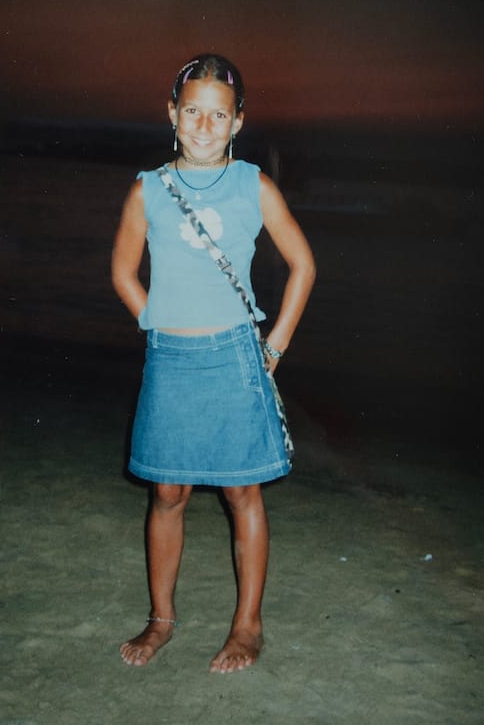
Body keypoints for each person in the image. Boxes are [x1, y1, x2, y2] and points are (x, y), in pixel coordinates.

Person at [112, 53, 316, 673]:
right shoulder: (148, 188)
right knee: (167, 491)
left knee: (240, 490)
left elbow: (304, 266)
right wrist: (159, 325)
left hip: (234, 354)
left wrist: (273, 346)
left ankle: (248, 626)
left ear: (238, 122)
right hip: (170, 357)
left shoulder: (254, 185)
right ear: (173, 115)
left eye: (218, 115)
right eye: (193, 112)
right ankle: (161, 620)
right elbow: (123, 272)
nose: (205, 126)